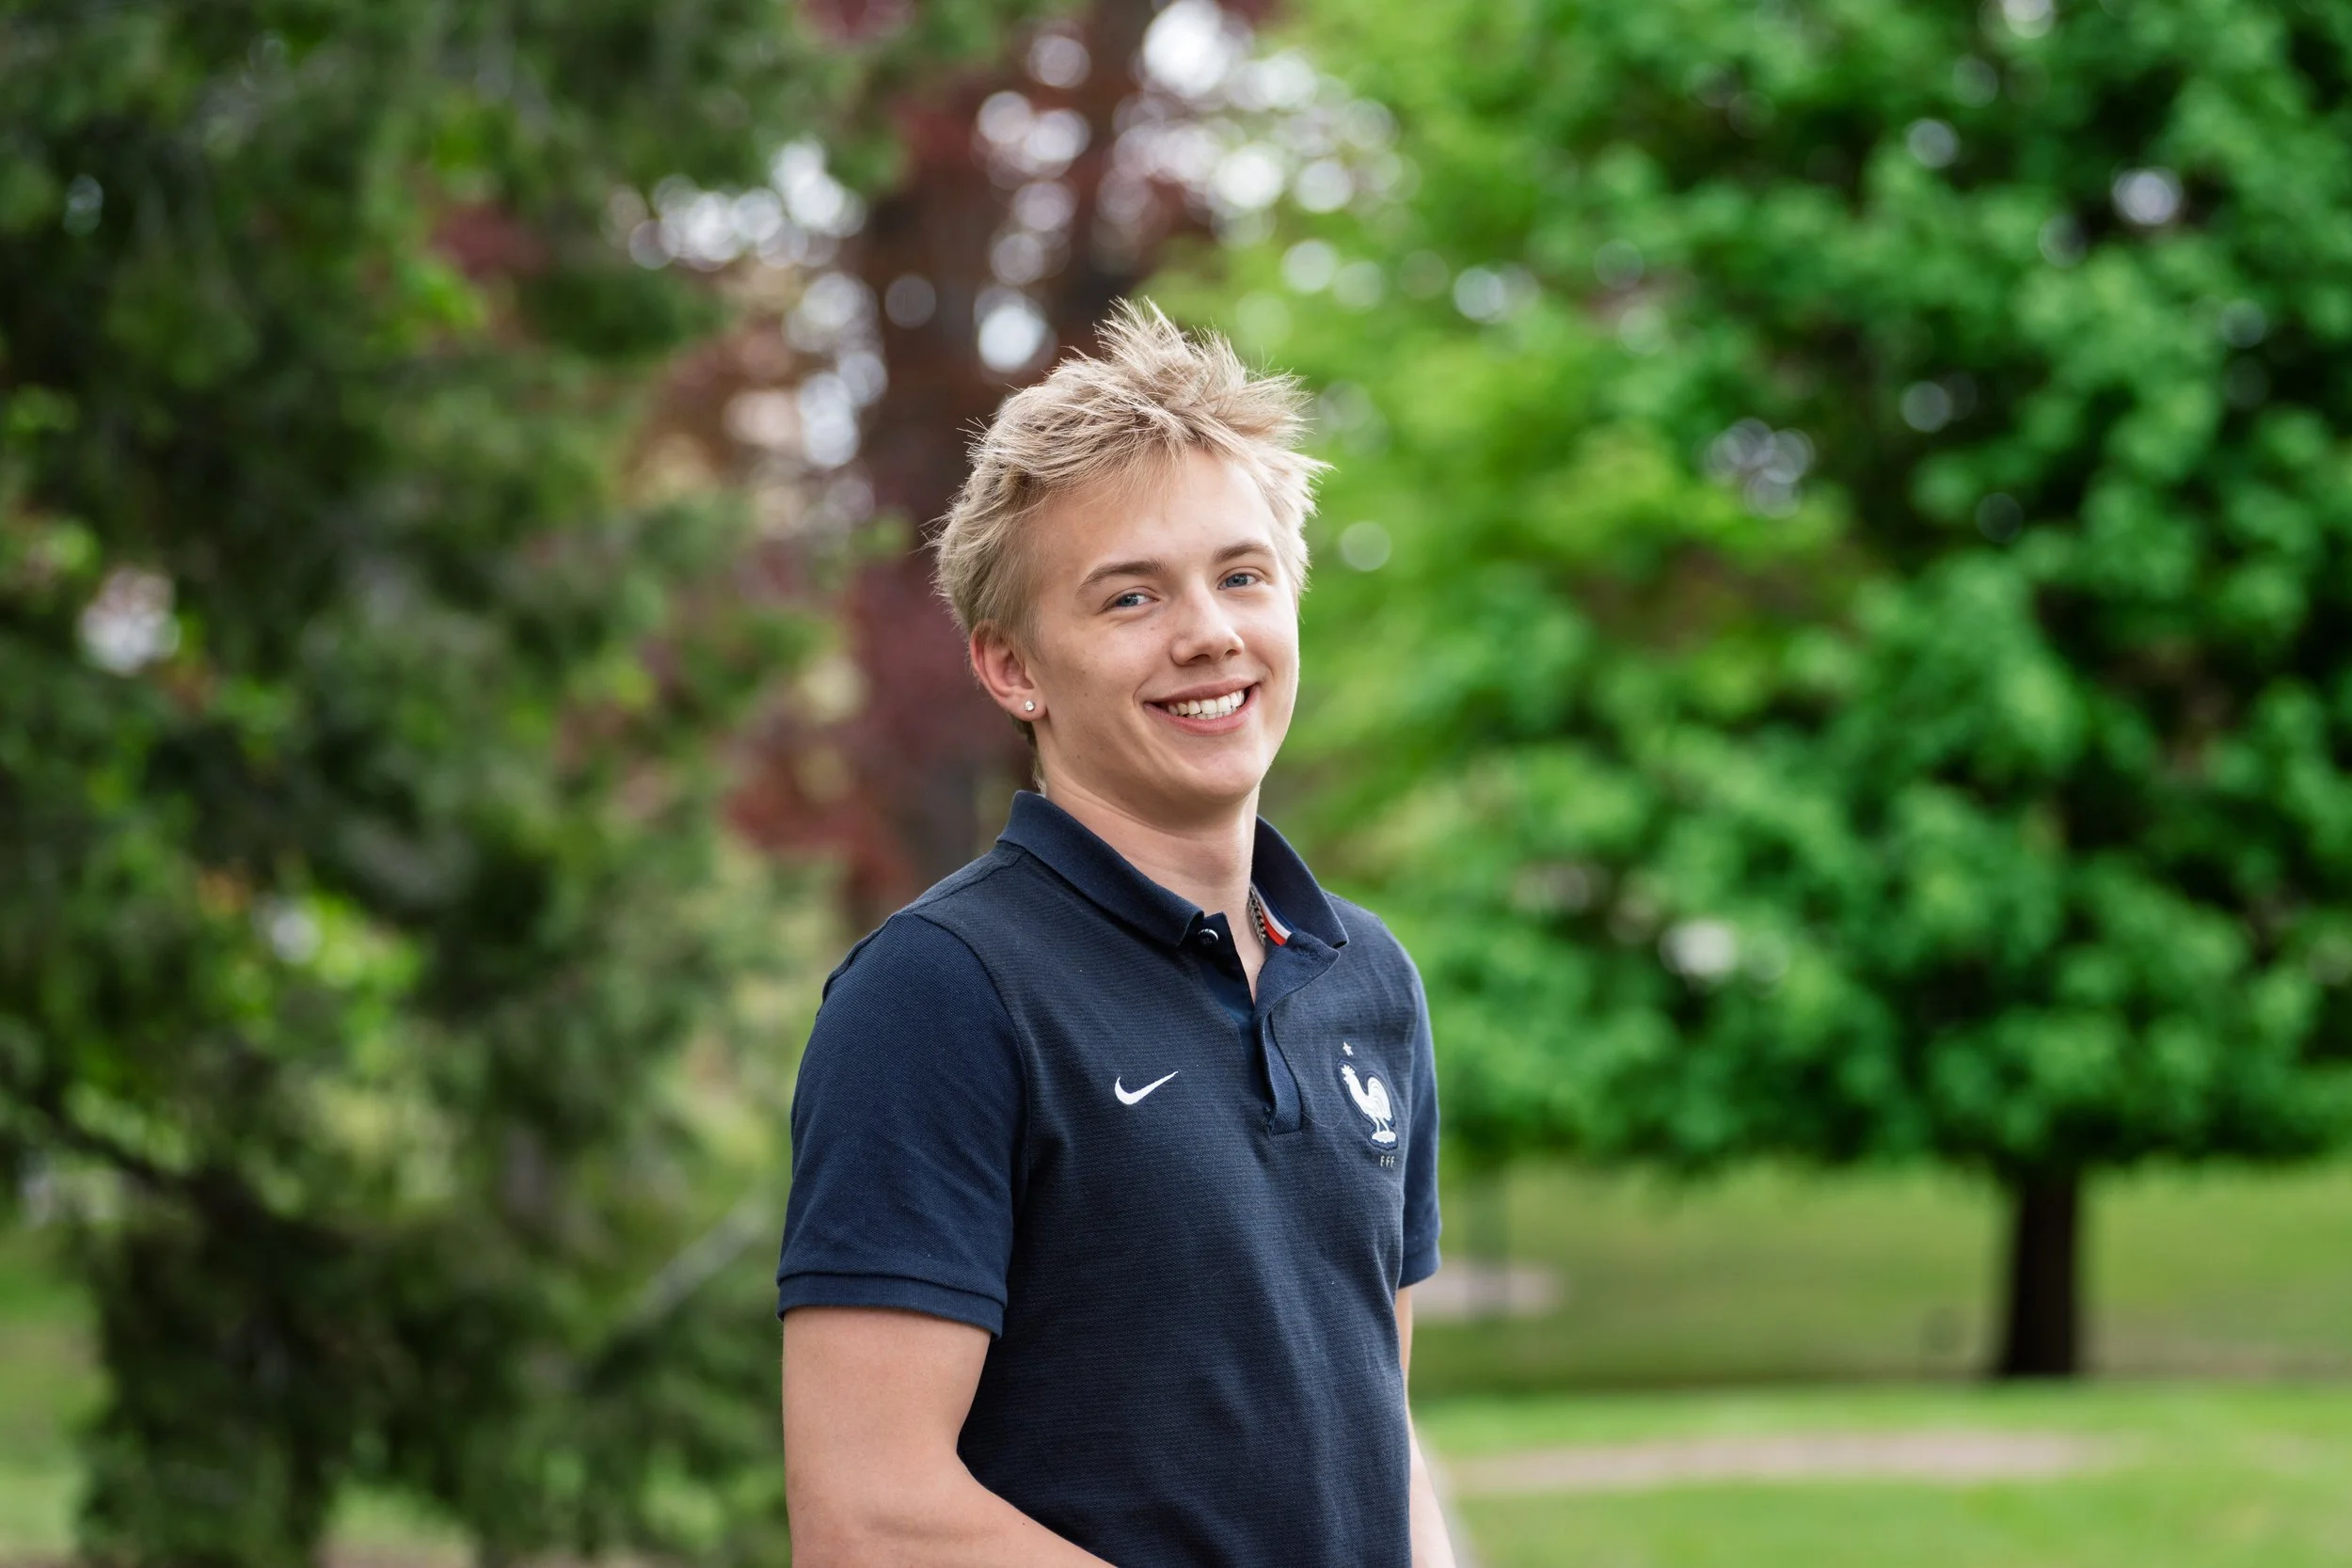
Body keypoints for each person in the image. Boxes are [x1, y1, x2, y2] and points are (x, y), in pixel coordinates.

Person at [775, 299, 1454, 1568]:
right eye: (1130, 595)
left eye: (1242, 575)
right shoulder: (939, 993)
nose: (1209, 630)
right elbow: (867, 1515)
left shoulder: (1369, 982)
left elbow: (1378, 1423)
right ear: (1013, 668)